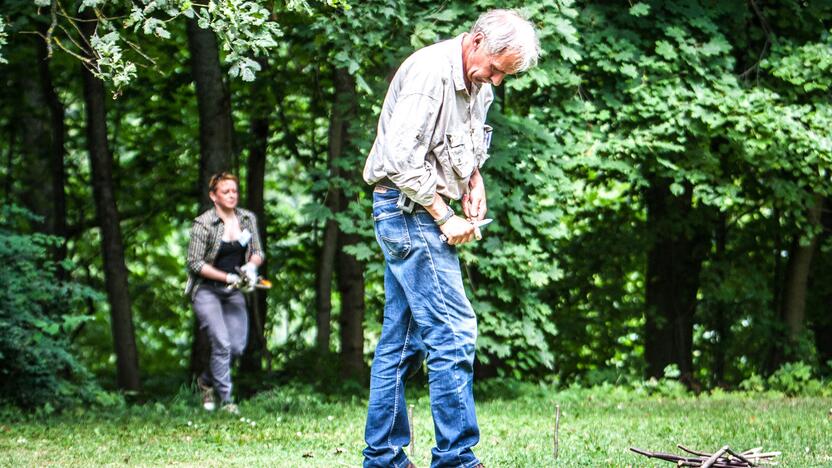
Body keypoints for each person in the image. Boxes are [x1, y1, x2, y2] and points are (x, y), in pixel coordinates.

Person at [361, 9, 540, 468]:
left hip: (418, 211)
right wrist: (444, 215)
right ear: (477, 41)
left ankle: (382, 459)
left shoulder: (477, 83)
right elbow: (399, 159)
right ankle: (457, 459)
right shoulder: (428, 74)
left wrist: (473, 179)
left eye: (506, 75)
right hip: (410, 212)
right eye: (498, 68)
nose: (497, 81)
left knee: (401, 343)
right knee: (454, 334)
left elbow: (463, 144)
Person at [185, 172, 264, 415]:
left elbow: (257, 251)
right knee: (221, 342)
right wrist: (226, 276)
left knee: (237, 347)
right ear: (213, 196)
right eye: (225, 191)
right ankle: (227, 400)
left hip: (234, 292)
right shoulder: (203, 223)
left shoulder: (246, 219)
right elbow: (195, 263)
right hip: (206, 291)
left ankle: (206, 381)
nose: (232, 195)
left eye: (234, 191)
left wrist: (250, 268)